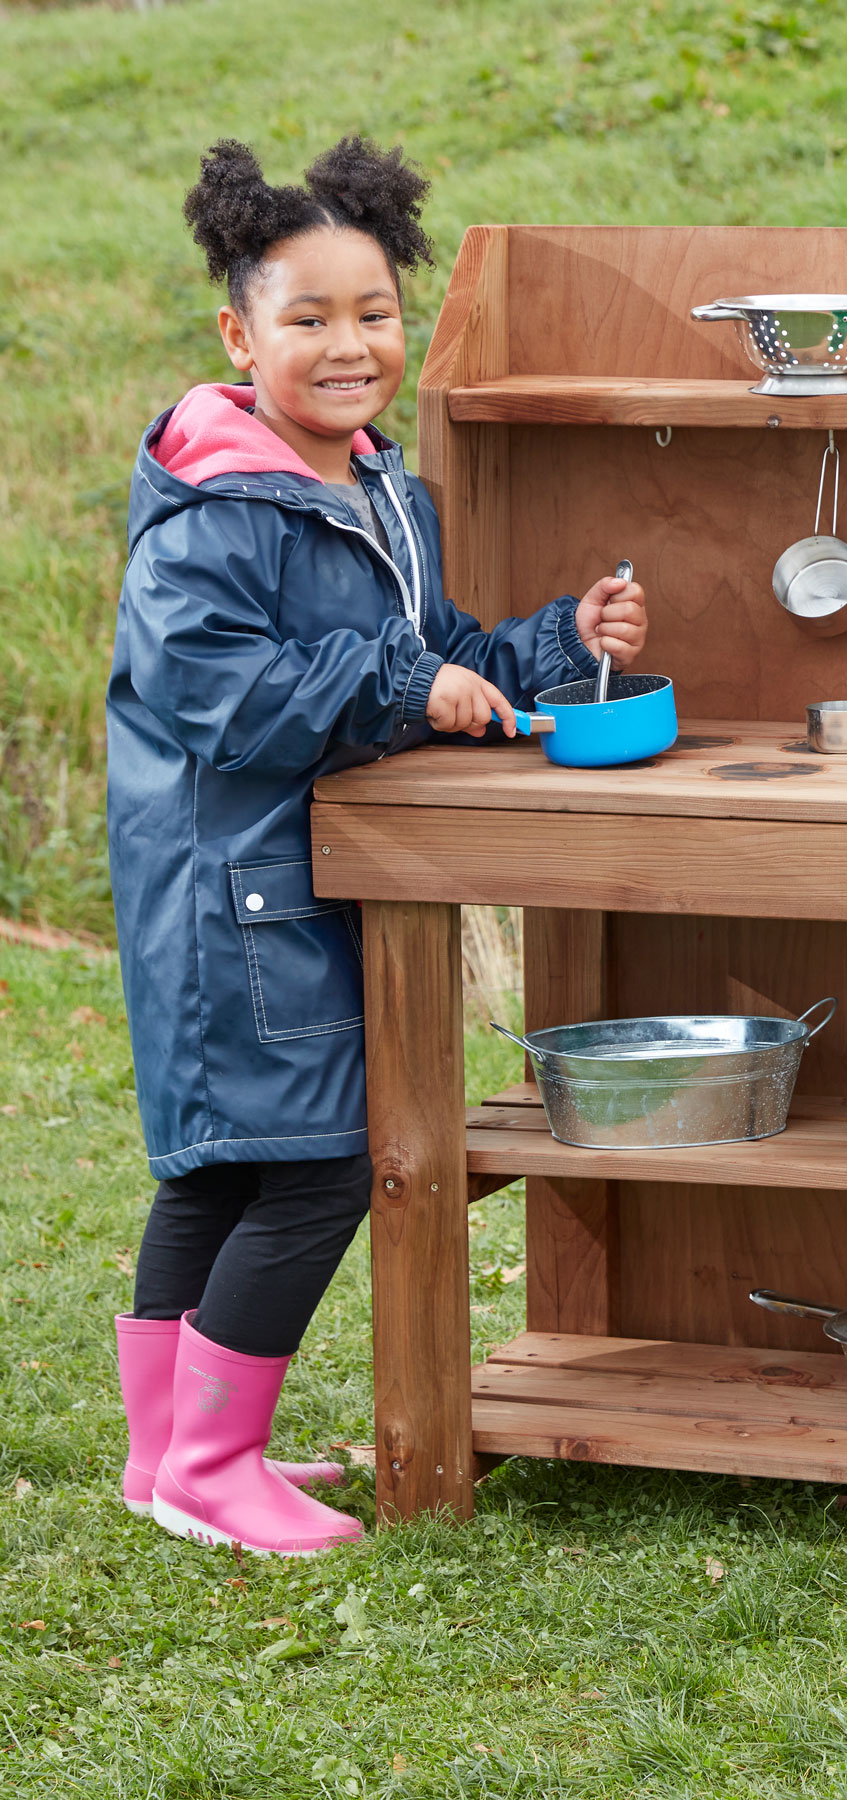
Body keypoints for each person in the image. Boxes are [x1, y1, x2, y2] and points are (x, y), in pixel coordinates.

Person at [106, 137, 648, 1557]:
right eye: (309, 319)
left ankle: (166, 1460)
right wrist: (409, 689)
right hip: (232, 898)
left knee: (219, 1170)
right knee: (316, 1164)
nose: (351, 346)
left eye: (375, 314)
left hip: (285, 883)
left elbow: (435, 652)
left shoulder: (377, 489)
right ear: (239, 333)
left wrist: (553, 647)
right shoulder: (216, 514)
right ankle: (214, 1466)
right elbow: (224, 696)